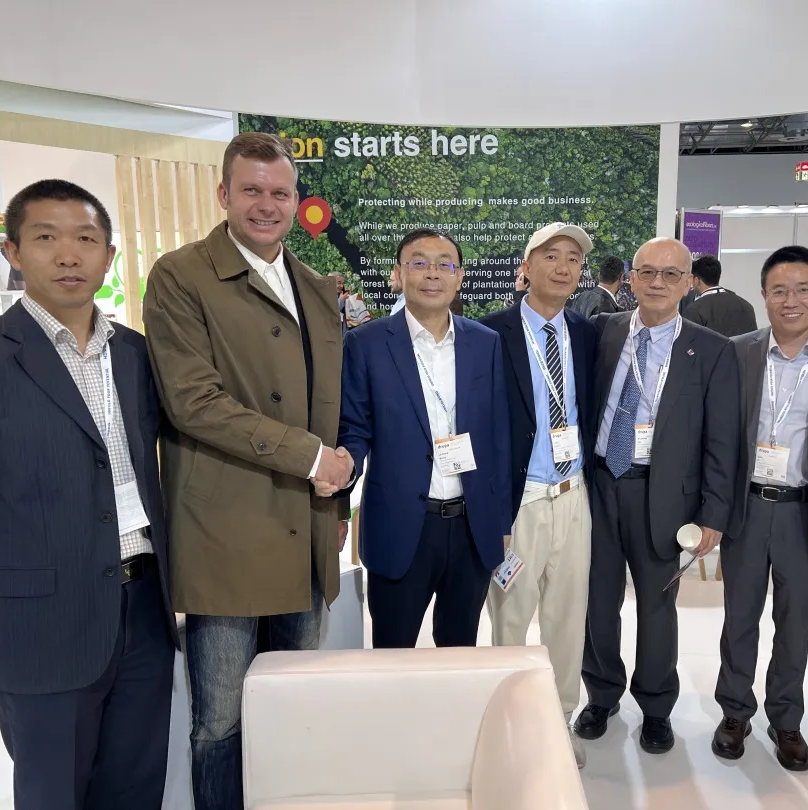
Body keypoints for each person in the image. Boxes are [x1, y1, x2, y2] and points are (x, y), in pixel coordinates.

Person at [0, 180, 178, 809]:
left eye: (86, 239)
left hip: (144, 605)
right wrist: (9, 581)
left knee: (135, 788)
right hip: (39, 622)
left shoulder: (136, 354)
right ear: (13, 252)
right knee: (53, 793)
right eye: (46, 237)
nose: (68, 255)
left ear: (109, 256)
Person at [142, 133, 351, 810]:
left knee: (295, 705)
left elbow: (329, 406)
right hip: (225, 530)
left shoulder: (316, 286)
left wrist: (339, 501)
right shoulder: (180, 276)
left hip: (307, 525)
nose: (266, 204)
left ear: (297, 200)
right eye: (251, 190)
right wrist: (311, 458)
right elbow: (193, 402)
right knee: (221, 722)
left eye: (279, 192)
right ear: (223, 194)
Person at [577, 237, 739, 756]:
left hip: (665, 496)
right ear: (631, 278)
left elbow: (721, 439)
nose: (658, 283)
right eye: (647, 272)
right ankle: (601, 693)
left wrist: (714, 511)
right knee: (597, 601)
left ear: (689, 282)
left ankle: (655, 705)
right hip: (599, 486)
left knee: (657, 606)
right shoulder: (603, 331)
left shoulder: (711, 349)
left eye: (671, 274)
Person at [712, 245, 808, 770]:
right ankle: (734, 711)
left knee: (795, 621)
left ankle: (786, 719)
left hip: (807, 510)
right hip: (745, 507)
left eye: (804, 289)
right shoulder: (736, 353)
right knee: (739, 616)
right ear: (763, 295)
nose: (791, 300)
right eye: (779, 290)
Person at [337, 229, 510, 647]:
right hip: (400, 526)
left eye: (444, 264)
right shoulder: (366, 343)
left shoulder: (485, 342)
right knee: (393, 655)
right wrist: (340, 481)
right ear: (398, 274)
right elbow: (353, 428)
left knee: (459, 651)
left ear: (460, 277)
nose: (433, 273)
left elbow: (498, 436)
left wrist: (501, 520)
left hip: (471, 528)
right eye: (419, 263)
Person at [481, 222, 599, 768]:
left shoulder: (587, 333)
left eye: (573, 258)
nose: (563, 266)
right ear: (525, 267)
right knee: (510, 617)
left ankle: (560, 718)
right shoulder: (490, 333)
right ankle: (509, 721)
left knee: (568, 618)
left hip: (574, 494)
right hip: (520, 499)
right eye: (551, 255)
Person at [683, 254, 757, 337]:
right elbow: (755, 340)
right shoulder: (746, 306)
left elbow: (687, 342)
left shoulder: (694, 310)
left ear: (697, 280)